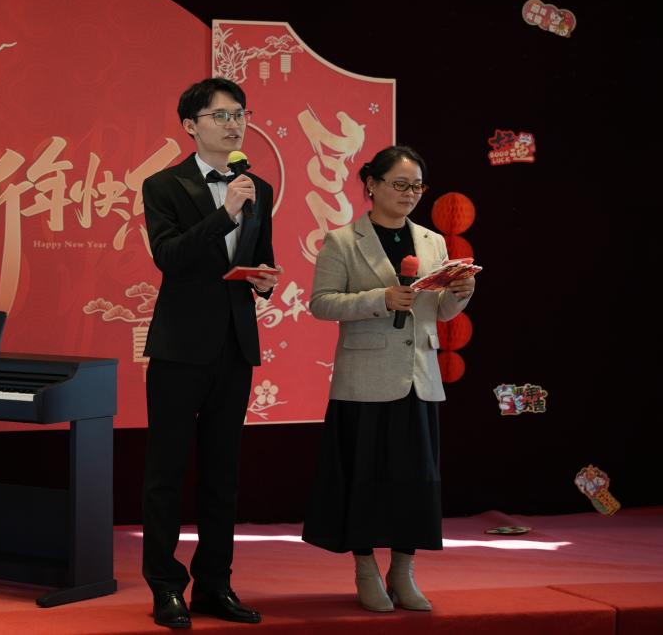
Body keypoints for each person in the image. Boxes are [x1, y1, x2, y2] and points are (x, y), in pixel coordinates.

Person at [301, 145, 475, 612]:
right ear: (371, 185)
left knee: (415, 481)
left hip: (418, 377)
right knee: (364, 478)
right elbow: (321, 303)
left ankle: (403, 571)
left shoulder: (433, 242)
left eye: (417, 186)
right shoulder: (342, 240)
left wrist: (462, 293)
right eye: (399, 184)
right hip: (364, 379)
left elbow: (440, 311)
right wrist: (380, 299)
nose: (409, 194)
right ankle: (365, 570)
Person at [140, 77, 281, 628]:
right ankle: (165, 586)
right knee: (167, 472)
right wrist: (224, 213)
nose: (233, 124)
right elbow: (169, 257)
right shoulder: (163, 184)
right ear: (190, 126)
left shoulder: (257, 187)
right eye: (220, 115)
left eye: (240, 114)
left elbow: (258, 256)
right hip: (180, 347)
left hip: (234, 345)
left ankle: (214, 585)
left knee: (223, 474)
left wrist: (263, 281)